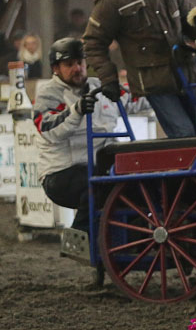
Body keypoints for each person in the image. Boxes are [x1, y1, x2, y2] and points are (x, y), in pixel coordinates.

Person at [82, 0, 196, 138]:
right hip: (154, 82)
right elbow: (93, 42)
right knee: (185, 135)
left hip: (187, 72)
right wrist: (109, 79)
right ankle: (191, 173)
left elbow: (190, 22)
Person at [35, 38, 147, 233]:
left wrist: (161, 88)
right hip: (61, 172)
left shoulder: (102, 87)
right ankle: (78, 236)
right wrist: (76, 111)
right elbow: (48, 130)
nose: (77, 68)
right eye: (69, 65)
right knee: (102, 186)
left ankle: (132, 237)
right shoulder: (48, 95)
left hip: (101, 165)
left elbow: (136, 99)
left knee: (141, 186)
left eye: (80, 62)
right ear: (56, 69)